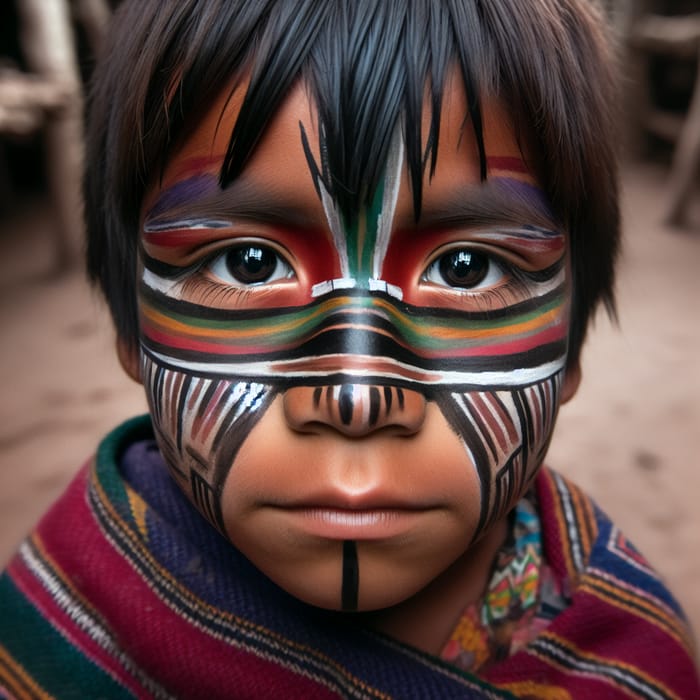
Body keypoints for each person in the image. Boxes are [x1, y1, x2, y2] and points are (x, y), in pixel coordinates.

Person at [1, 1, 698, 697]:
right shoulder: (58, 639)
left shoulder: (629, 655)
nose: (357, 397)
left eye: (467, 268)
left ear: (570, 349)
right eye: (247, 263)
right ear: (133, 331)